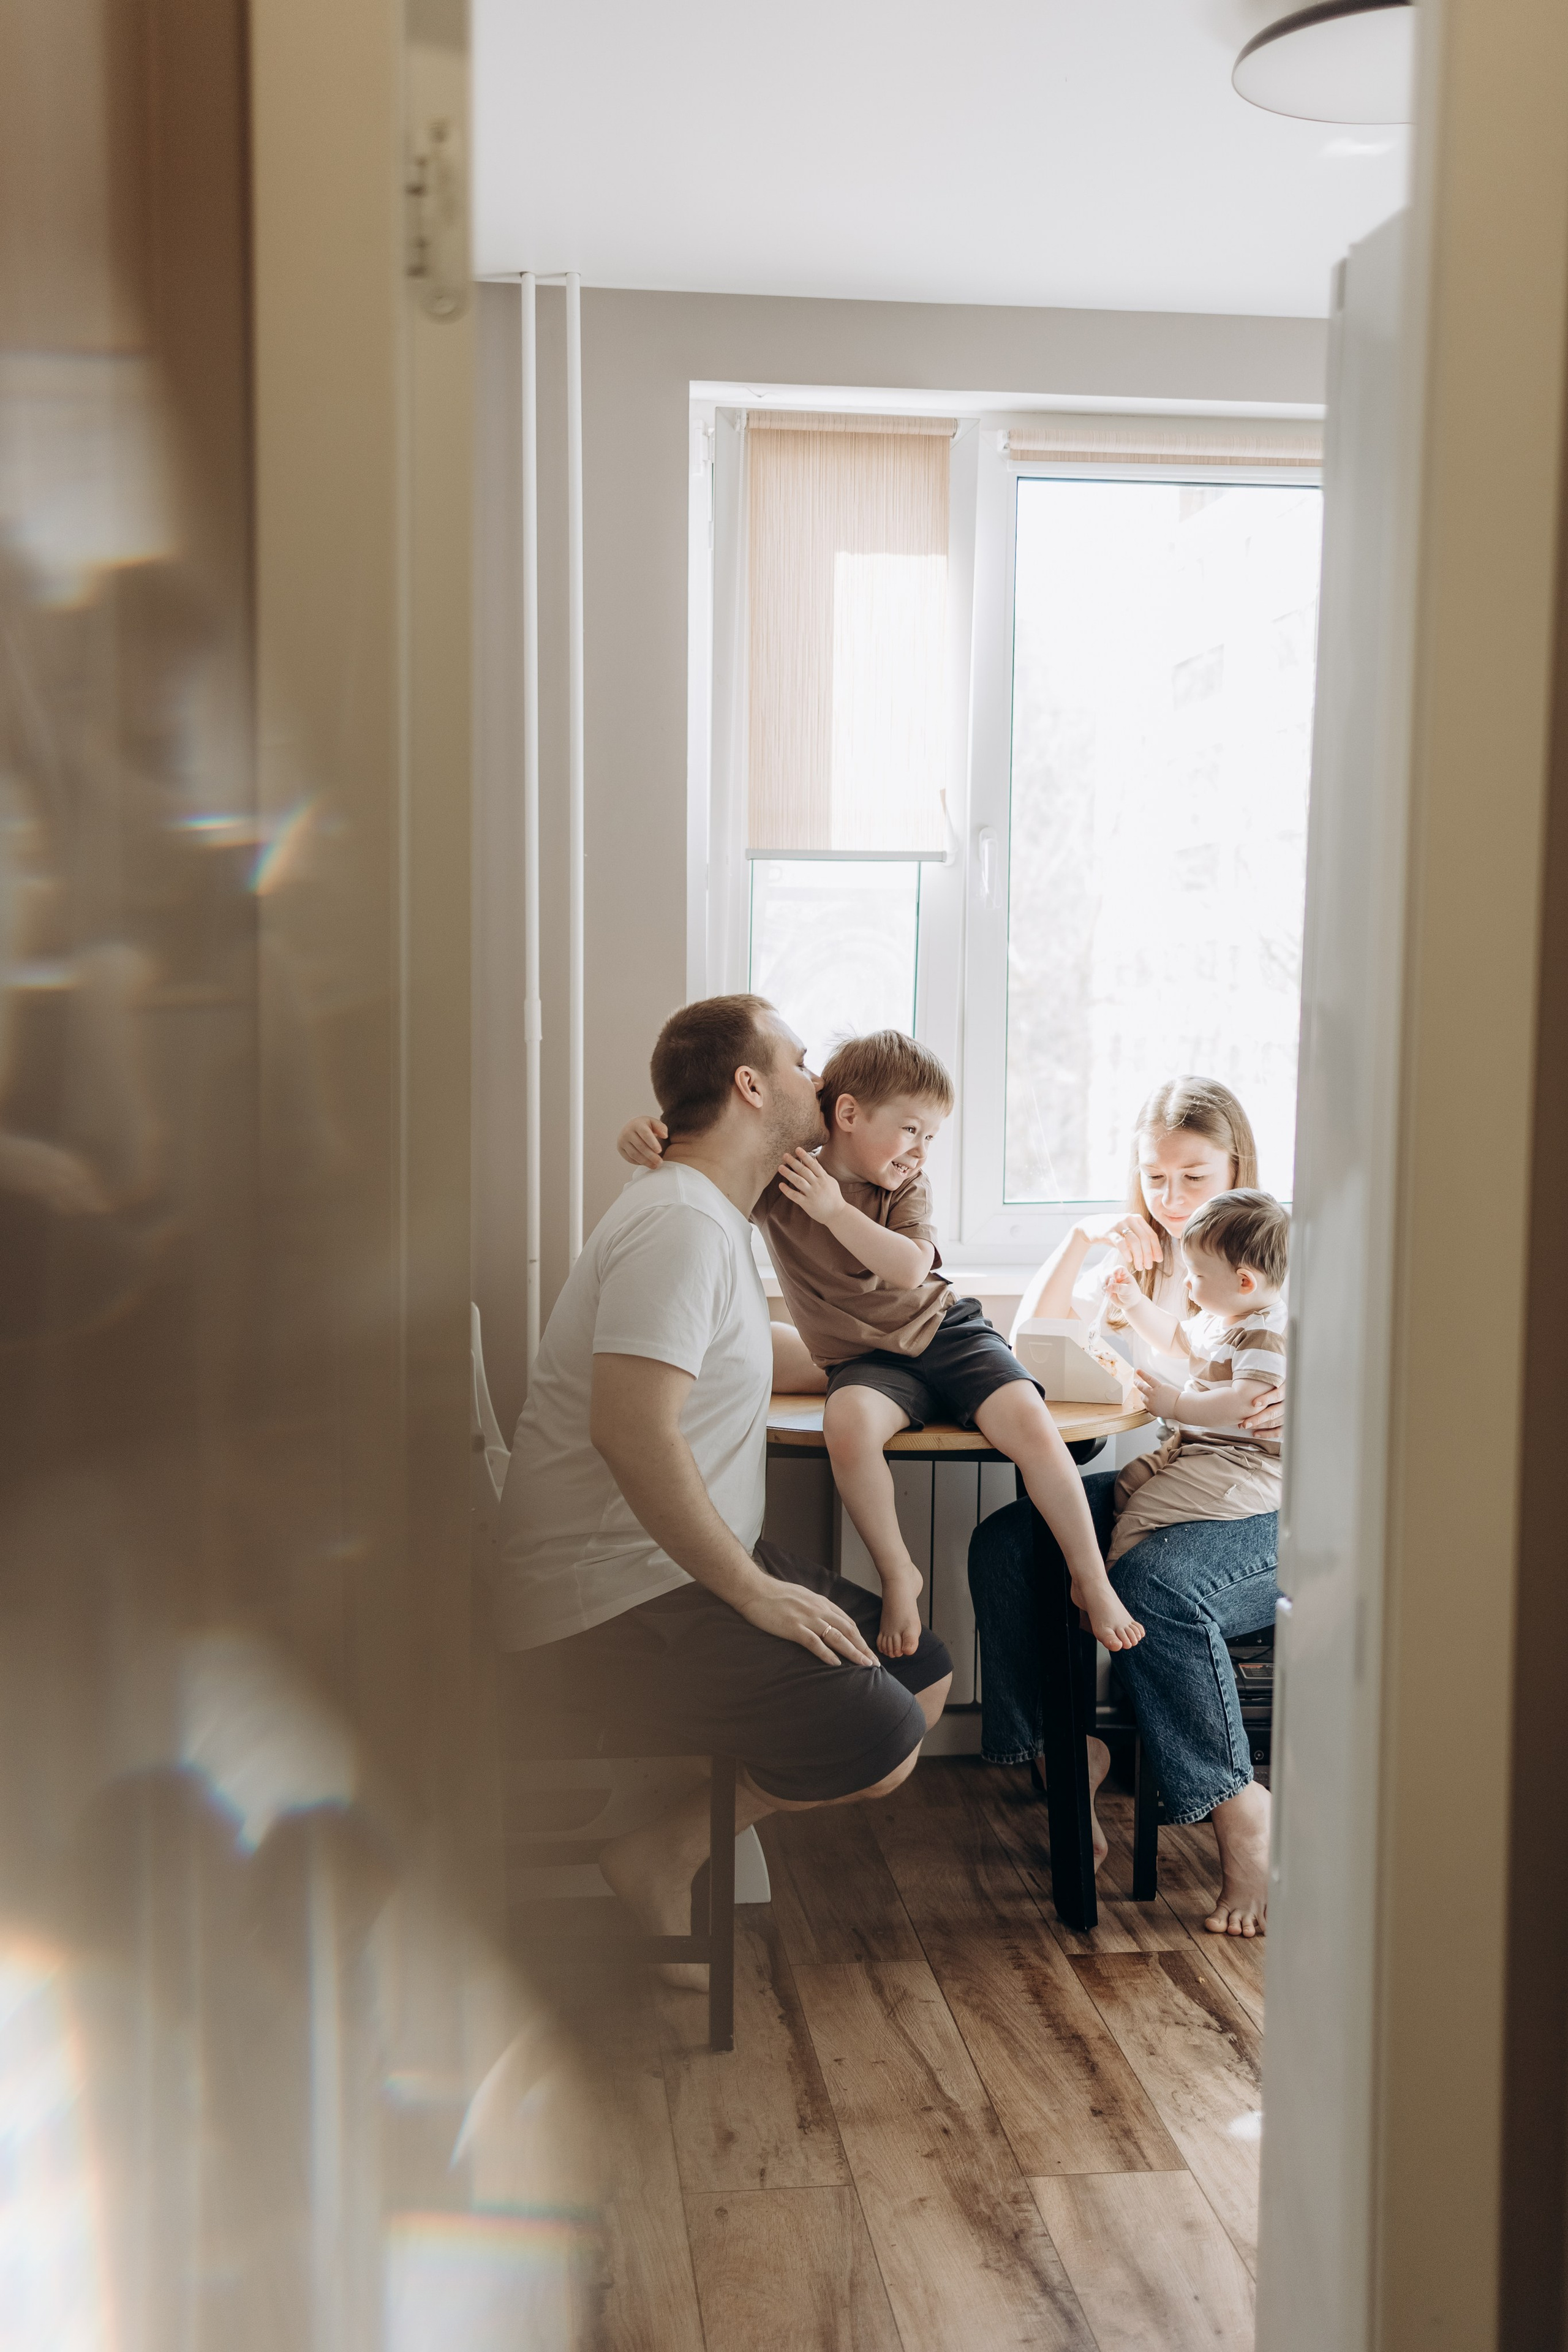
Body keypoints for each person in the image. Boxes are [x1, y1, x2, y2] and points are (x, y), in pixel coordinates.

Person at [498, 994, 952, 1986]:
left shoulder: (707, 1217)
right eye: (796, 1061)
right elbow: (630, 1429)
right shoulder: (681, 1228)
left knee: (922, 1671)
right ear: (750, 1087)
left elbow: (766, 1361)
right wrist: (753, 1593)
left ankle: (666, 1850)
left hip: (677, 1570)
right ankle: (663, 1854)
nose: (819, 1079)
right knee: (885, 1736)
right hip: (612, 1601)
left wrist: (926, 1370)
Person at [617, 1030, 1143, 1663]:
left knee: (1032, 1423)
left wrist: (836, 1211)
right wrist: (643, 1137)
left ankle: (1088, 1576)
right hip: (864, 1363)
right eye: (912, 1130)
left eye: (931, 1138)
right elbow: (707, 1157)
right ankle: (899, 1573)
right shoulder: (782, 1177)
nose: (921, 1151)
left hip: (945, 1333)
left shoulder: (903, 1189)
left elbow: (908, 1269)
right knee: (847, 1424)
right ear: (847, 1115)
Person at [968, 1076, 1285, 1937]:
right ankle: (1069, 1758)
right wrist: (1076, 1242)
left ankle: (1239, 1809)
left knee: (1153, 1587)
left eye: (1194, 1177)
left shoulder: (1273, 1252)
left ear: (1237, 1168)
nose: (1173, 1200)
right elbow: (1021, 1346)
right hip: (1190, 1482)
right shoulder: (1150, 1257)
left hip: (1276, 1507)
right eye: (1155, 1178)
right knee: (1009, 1542)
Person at [1106, 1187, 1288, 1567]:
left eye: (1197, 1274)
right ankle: (1159, 1548)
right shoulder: (1219, 1318)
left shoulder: (1263, 1334)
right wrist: (1134, 1302)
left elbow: (1243, 1403)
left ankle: (1108, 1601)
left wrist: (1176, 1404)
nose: (1187, 1283)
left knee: (1138, 1512)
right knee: (1127, 1485)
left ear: (1244, 1281)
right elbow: (1173, 1337)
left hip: (1244, 1462)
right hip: (1200, 1448)